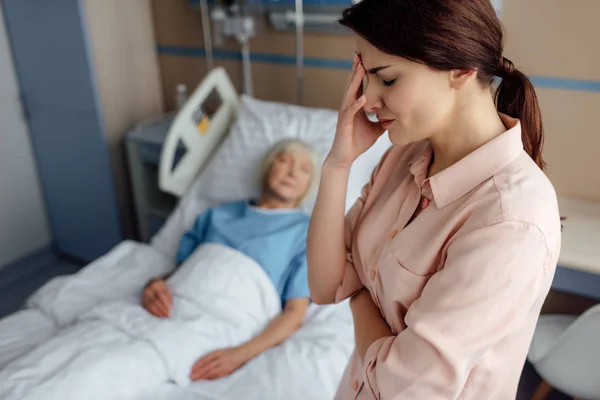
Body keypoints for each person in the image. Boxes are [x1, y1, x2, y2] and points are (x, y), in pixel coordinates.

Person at [307, 1, 561, 399]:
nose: (367, 101)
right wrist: (337, 165)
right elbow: (325, 285)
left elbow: (398, 386)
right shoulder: (402, 157)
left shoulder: (509, 220)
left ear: (460, 70)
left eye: (386, 80)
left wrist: (357, 294)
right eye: (363, 77)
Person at [143, 139, 320, 382]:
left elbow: (294, 312)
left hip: (225, 321)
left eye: (304, 169)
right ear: (267, 167)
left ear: (309, 185)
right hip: (171, 306)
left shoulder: (306, 233)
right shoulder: (218, 214)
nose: (292, 172)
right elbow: (186, 270)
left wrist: (239, 355)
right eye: (284, 160)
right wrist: (154, 285)